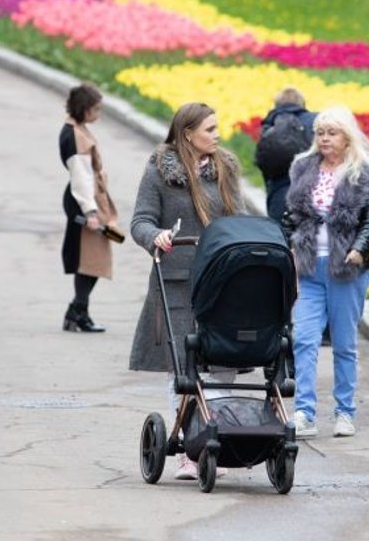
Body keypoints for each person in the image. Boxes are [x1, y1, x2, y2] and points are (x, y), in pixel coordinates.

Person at [128, 101, 244, 480]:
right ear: (187, 133)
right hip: (176, 281)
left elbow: (238, 218)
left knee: (223, 361)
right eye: (210, 129)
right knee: (183, 366)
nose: (217, 134)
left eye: (217, 127)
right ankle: (188, 455)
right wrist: (156, 236)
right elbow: (140, 221)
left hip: (221, 279)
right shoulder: (159, 171)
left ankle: (216, 437)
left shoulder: (225, 167)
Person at [281, 105, 369, 439]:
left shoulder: (362, 173)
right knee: (305, 340)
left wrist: (359, 250)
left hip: (346, 269)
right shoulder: (304, 169)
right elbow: (291, 216)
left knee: (343, 344)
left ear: (347, 137)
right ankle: (304, 412)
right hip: (309, 268)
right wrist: (288, 250)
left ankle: (344, 412)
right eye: (320, 133)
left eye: (332, 133)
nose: (325, 139)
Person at [59, 83, 121, 333]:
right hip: (85, 202)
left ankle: (78, 312)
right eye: (96, 109)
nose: (98, 114)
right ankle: (77, 313)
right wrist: (91, 212)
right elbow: (81, 177)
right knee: (91, 260)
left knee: (93, 260)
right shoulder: (75, 136)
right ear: (83, 109)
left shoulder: (77, 130)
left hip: (89, 199)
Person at [255, 86, 316, 222]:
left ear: (276, 105)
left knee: (280, 239)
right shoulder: (313, 121)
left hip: (278, 197)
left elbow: (262, 163)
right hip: (311, 195)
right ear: (302, 104)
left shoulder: (270, 124)